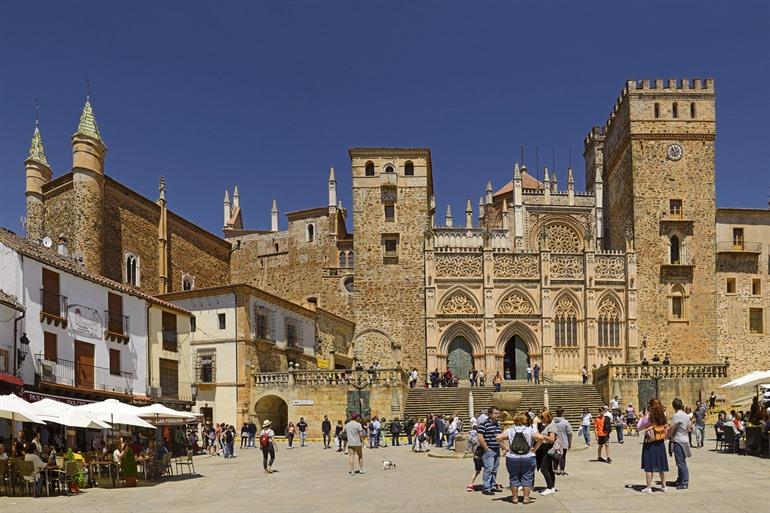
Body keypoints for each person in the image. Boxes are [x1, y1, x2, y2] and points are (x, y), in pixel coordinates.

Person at [497, 411, 543, 504]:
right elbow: (541, 438)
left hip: (512, 457)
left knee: (514, 477)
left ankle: (514, 498)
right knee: (527, 476)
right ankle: (526, 498)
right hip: (528, 456)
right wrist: (534, 449)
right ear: (525, 420)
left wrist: (505, 448)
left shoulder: (510, 430)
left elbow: (498, 438)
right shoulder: (529, 430)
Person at [637, 398, 669, 493]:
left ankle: (649, 487)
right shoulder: (662, 415)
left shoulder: (648, 416)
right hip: (660, 441)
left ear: (650, 406)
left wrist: (641, 417)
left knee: (649, 464)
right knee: (661, 464)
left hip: (650, 442)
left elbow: (639, 428)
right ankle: (664, 486)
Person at [477, 406, 502, 496]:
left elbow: (500, 437)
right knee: (489, 469)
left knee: (494, 469)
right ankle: (486, 487)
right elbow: (480, 437)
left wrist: (502, 447)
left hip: (496, 449)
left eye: (498, 413)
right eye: (495, 413)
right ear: (490, 414)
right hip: (489, 450)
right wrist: (486, 448)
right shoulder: (484, 424)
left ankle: (492, 486)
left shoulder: (497, 424)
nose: (497, 415)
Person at [668, 398, 691, 489]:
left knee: (681, 463)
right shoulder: (685, 415)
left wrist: (668, 435)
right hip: (685, 440)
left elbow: (671, 427)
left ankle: (684, 482)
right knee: (681, 461)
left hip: (678, 441)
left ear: (674, 406)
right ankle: (680, 479)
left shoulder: (677, 415)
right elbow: (689, 428)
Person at [536, 409, 558, 495]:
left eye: (542, 417)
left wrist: (541, 436)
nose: (541, 418)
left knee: (544, 469)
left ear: (547, 417)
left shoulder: (551, 425)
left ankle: (549, 487)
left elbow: (552, 439)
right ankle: (551, 487)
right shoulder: (549, 425)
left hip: (548, 449)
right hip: (546, 448)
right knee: (549, 469)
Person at [552, 407, 572, 476]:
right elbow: (570, 433)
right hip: (563, 441)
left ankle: (554, 470)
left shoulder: (552, 421)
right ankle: (562, 470)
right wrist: (570, 443)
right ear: (563, 413)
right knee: (563, 456)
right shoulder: (565, 422)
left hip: (554, 442)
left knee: (555, 456)